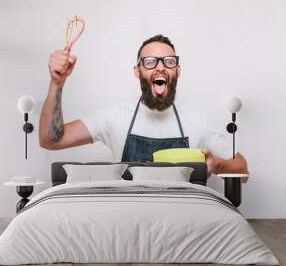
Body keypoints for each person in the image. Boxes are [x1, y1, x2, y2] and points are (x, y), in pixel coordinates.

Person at [39, 34, 249, 178]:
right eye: (150, 62)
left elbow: (242, 170)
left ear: (178, 70)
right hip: (129, 218)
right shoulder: (114, 117)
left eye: (168, 61)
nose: (160, 67)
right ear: (137, 71)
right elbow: (50, 140)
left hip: (182, 220)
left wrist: (217, 164)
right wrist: (57, 83)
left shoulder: (197, 121)